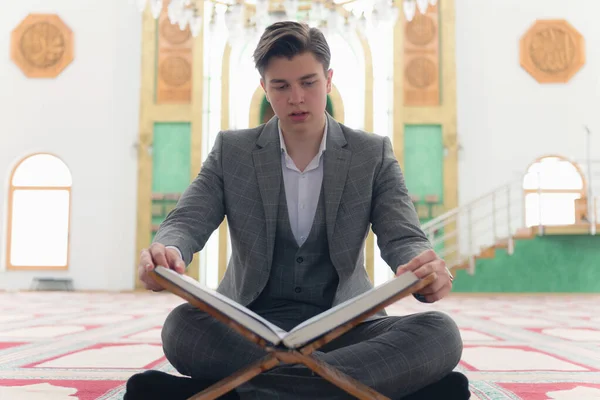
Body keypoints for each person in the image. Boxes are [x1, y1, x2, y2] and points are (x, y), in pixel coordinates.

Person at [125, 21, 469, 400]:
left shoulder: (372, 153)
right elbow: (188, 219)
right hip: (248, 327)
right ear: (264, 88)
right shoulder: (231, 151)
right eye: (281, 86)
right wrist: (168, 251)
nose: (297, 98)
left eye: (308, 82)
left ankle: (253, 391)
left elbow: (402, 236)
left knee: (440, 333)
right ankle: (344, 390)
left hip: (349, 330)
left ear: (329, 80)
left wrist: (422, 267)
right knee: (182, 328)